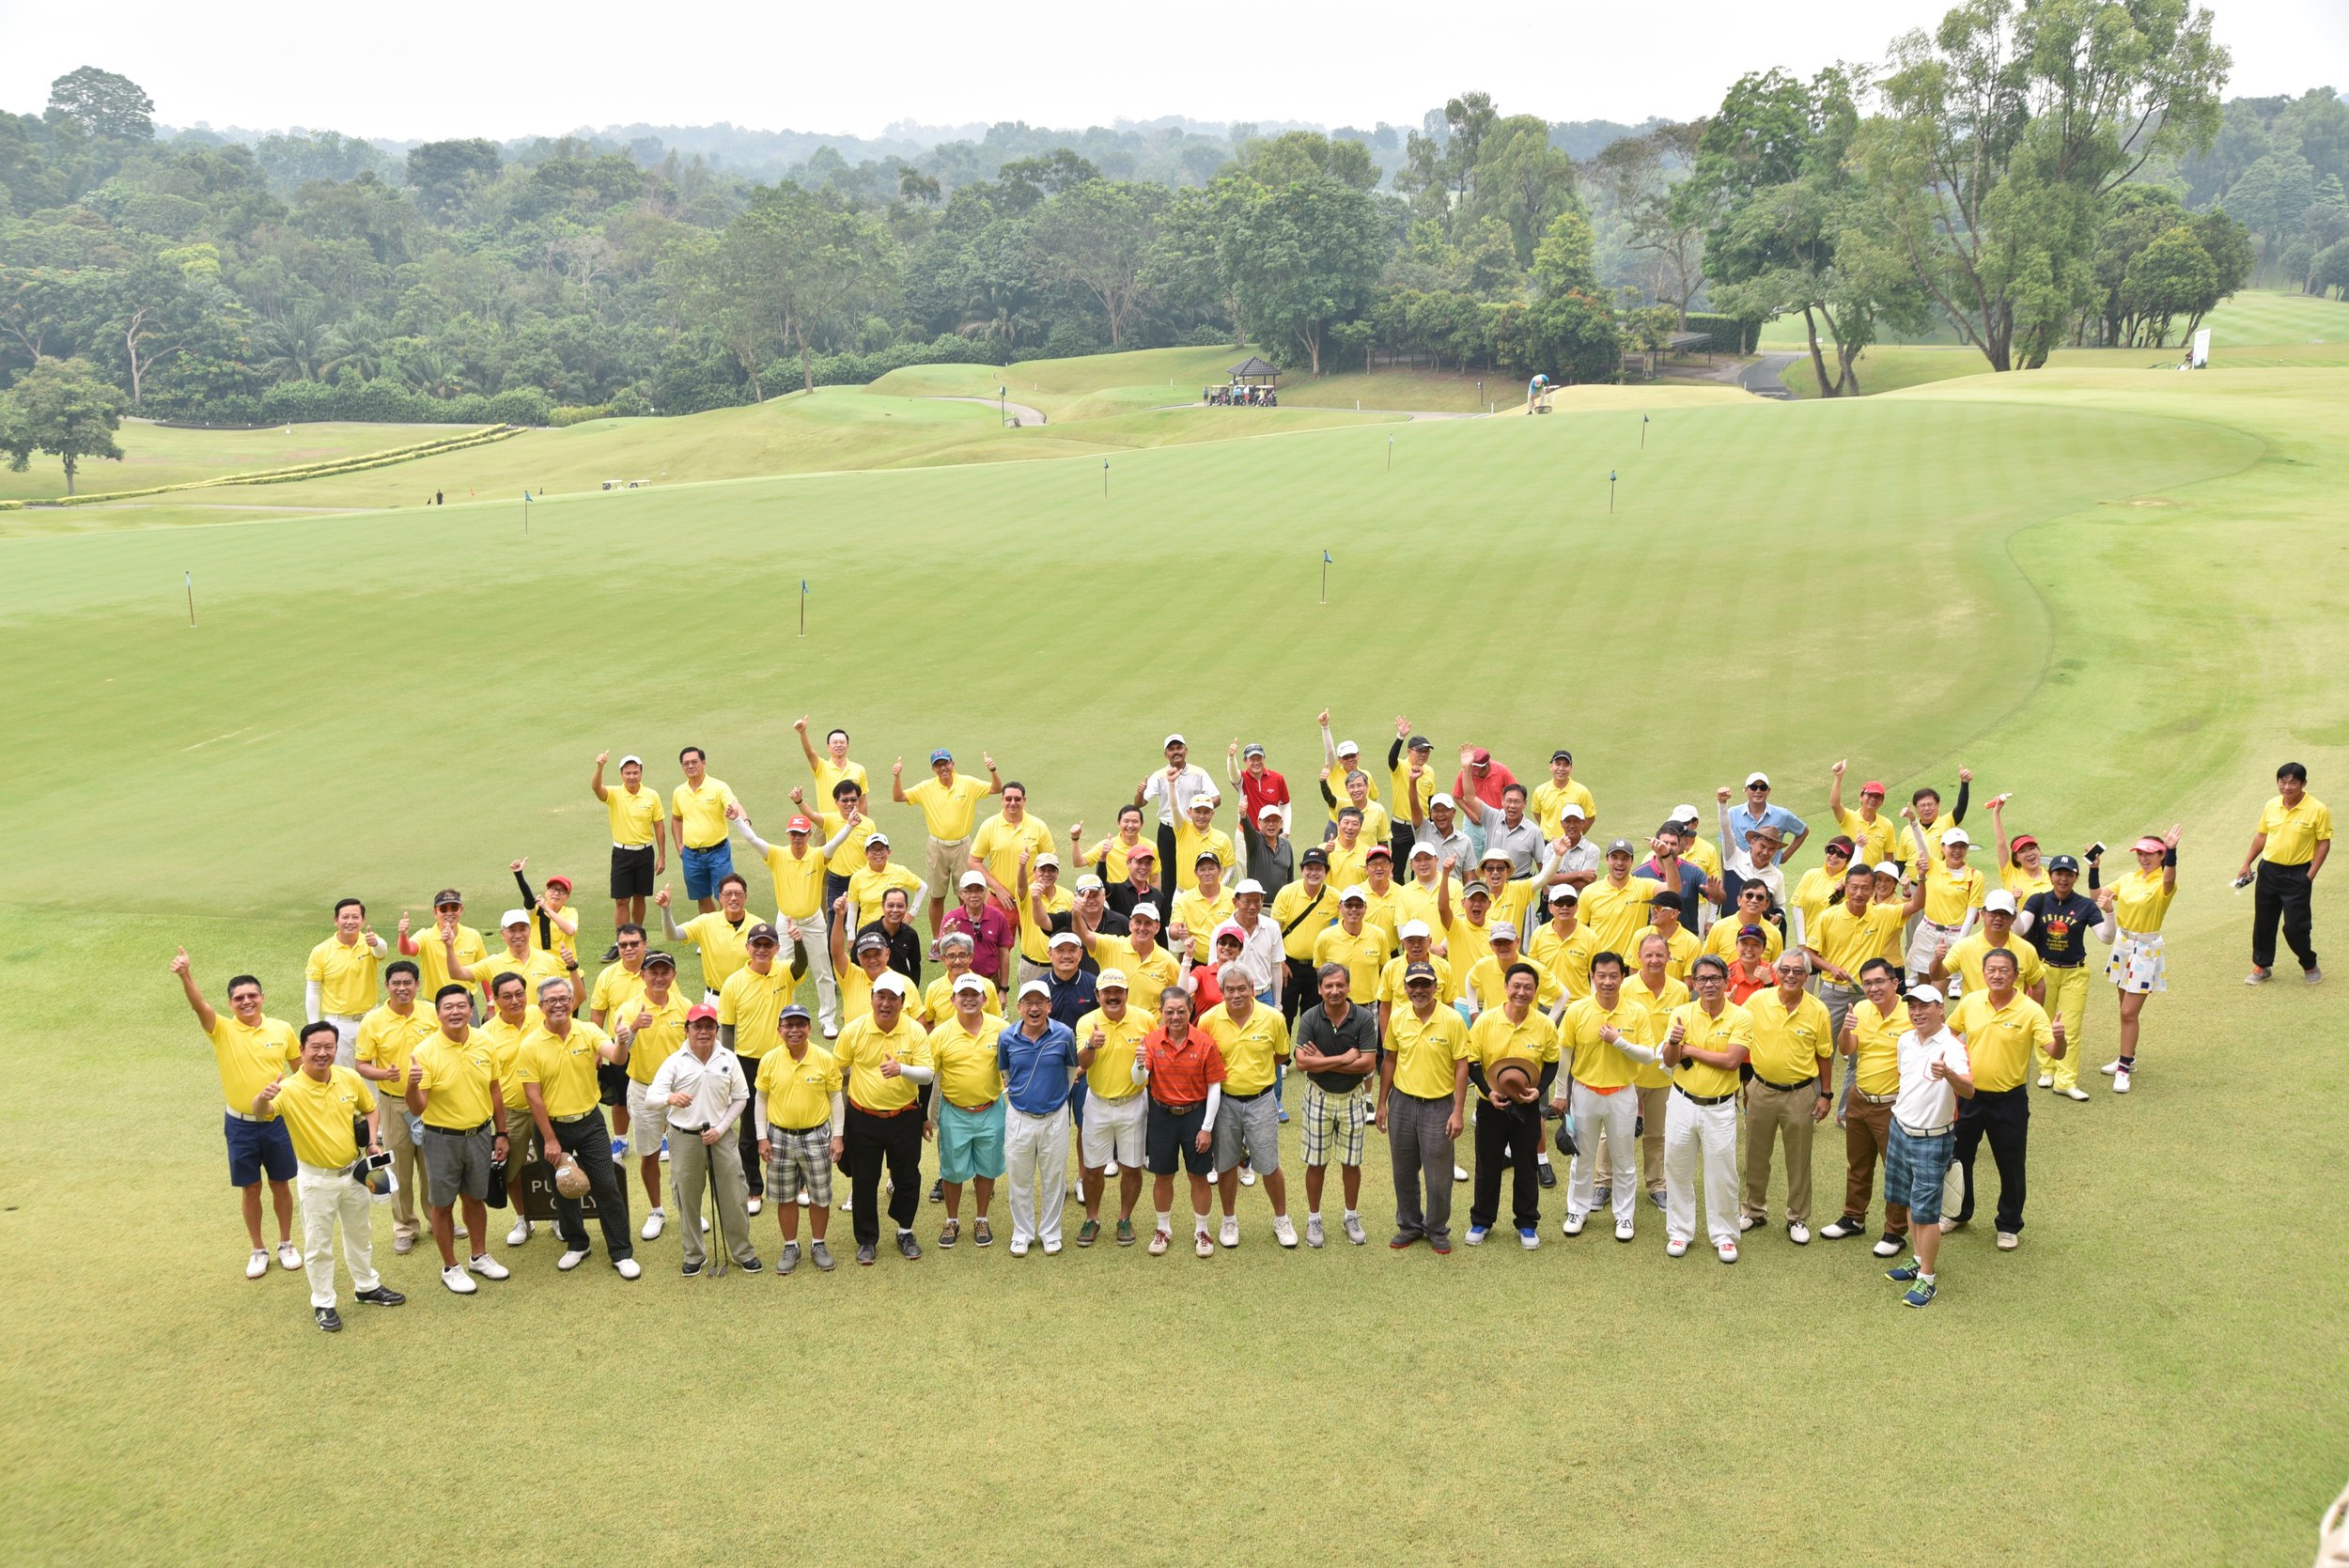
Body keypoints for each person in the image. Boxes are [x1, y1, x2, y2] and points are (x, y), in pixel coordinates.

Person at [260, 1021, 404, 1330]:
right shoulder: (288, 1089)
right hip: (317, 1181)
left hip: (354, 1173)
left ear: (336, 1048)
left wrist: (372, 1141)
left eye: (329, 1047)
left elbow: (370, 1108)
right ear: (301, 1050)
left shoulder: (349, 1078)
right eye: (315, 1047)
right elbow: (263, 1111)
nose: (323, 1053)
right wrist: (263, 1097)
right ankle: (323, 1302)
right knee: (318, 1245)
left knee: (360, 1235)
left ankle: (366, 1287)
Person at [172, 948, 300, 1278]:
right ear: (230, 1004)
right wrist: (186, 974)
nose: (246, 1001)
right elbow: (199, 1006)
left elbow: (300, 1073)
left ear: (262, 997)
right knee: (251, 1188)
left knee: (280, 1183)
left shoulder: (283, 1029)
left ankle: (286, 1243)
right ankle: (259, 1249)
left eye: (252, 995)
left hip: (276, 1121)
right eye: (239, 998)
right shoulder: (223, 1029)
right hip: (240, 1125)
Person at [516, 978, 638, 1278]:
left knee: (607, 1186)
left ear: (572, 1002)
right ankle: (577, 1243)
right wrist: (550, 1140)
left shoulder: (588, 1031)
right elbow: (533, 1097)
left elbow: (617, 1057)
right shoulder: (530, 1045)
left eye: (564, 998)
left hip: (590, 1122)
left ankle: (621, 1251)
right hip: (551, 1128)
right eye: (551, 1000)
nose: (558, 1004)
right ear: (541, 1006)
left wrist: (623, 1039)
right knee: (564, 1188)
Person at [1946, 947, 2059, 1249]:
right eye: (1991, 970)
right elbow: (1949, 1032)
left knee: (2010, 1163)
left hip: (2009, 1100)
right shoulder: (1970, 1002)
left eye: (2004, 970)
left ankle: (2008, 1224)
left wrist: (2058, 1037)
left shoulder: (2031, 1009)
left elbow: (2053, 1051)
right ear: (1983, 973)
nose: (1997, 975)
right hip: (1969, 1095)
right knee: (1958, 1158)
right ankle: (1959, 1212)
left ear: (2016, 975)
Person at [405, 985, 513, 1296]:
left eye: (461, 1006)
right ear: (438, 1013)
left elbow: (494, 1089)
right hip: (441, 1139)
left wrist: (501, 1132)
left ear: (470, 1009)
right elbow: (417, 1107)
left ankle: (478, 1256)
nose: (455, 1011)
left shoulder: (484, 1042)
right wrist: (411, 1086)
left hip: (479, 1135)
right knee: (443, 1204)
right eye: (447, 1007)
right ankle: (450, 1266)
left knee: (475, 1198)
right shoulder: (425, 1052)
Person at [1553, 950, 1663, 1241]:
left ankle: (1624, 1216)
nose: (1607, 981)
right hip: (1585, 1093)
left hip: (1622, 1094)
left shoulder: (1636, 1011)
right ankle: (1577, 1210)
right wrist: (1561, 1094)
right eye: (1601, 975)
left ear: (1623, 977)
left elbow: (1648, 1055)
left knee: (1623, 1158)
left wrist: (1618, 1041)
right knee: (1582, 1156)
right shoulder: (1578, 1010)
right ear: (1592, 977)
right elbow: (1565, 1054)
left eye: (1613, 975)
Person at [646, 1005, 759, 1276]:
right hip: (684, 1138)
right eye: (698, 1026)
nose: (704, 1032)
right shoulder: (674, 1061)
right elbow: (651, 1098)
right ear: (687, 1030)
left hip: (720, 1137)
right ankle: (694, 1255)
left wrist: (721, 1129)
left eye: (710, 1026)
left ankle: (743, 1252)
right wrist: (670, 1098)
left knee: (734, 1194)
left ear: (717, 1030)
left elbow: (741, 1098)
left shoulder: (728, 1059)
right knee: (688, 1198)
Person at [1882, 984, 1973, 1308]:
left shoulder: (1953, 1048)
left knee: (1928, 1213)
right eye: (1912, 1007)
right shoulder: (1906, 1040)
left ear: (1941, 1009)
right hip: (1900, 1129)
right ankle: (1918, 1259)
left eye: (1924, 1006)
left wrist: (1948, 1074)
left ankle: (1928, 1279)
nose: (1917, 1013)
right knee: (1909, 1202)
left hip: (1933, 1138)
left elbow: (1969, 1090)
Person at [833, 972, 934, 1265]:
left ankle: (905, 1231)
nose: (886, 1003)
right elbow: (835, 1074)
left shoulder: (915, 1031)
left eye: (893, 998)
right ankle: (867, 1239)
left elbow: (927, 1074)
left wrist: (901, 1069)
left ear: (903, 1002)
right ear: (872, 998)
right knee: (864, 1180)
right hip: (862, 1118)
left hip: (904, 1116)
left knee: (907, 1177)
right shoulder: (853, 1031)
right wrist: (838, 1124)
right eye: (881, 996)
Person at [1660, 955, 1752, 1263]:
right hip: (1682, 1102)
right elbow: (1670, 1060)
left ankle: (1724, 1235)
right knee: (1676, 1166)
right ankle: (1679, 1231)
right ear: (1695, 983)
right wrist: (1675, 1044)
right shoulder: (1681, 1013)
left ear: (1726, 982)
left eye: (1715, 979)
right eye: (1702, 979)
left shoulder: (1740, 1016)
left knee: (1723, 1173)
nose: (1709, 984)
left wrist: (1690, 1050)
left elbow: (1731, 1061)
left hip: (1720, 1107)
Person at [1738, 953, 1835, 1244]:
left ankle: (1797, 1218)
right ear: (1775, 972)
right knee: (1755, 1155)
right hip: (1761, 1089)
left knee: (1799, 1158)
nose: (1791, 975)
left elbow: (1824, 1055)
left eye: (1798, 971)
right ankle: (1754, 1210)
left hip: (1801, 1094)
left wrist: (1826, 1094)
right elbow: (1737, 1034)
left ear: (1807, 977)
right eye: (1785, 970)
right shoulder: (1757, 1001)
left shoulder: (1818, 1010)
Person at [1820, 958, 1914, 1256]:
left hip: (1894, 1106)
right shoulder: (1860, 1009)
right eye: (1868, 983)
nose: (1873, 988)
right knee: (1858, 1165)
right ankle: (1853, 1217)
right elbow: (1848, 1050)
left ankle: (1894, 1231)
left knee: (1896, 1171)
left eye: (1879, 982)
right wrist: (1846, 1030)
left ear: (1894, 983)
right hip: (1859, 1099)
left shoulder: (1910, 1012)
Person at [1464, 963, 1559, 1249]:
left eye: (1528, 987)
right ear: (1505, 988)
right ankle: (1481, 1221)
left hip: (1527, 1107)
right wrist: (1487, 1090)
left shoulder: (1544, 1024)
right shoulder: (1486, 1021)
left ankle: (1527, 1224)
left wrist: (1539, 1091)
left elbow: (1552, 1062)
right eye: (1516, 986)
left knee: (1527, 1165)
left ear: (1535, 991)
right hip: (1490, 1106)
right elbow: (1472, 1062)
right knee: (1487, 1165)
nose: (1521, 992)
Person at [1379, 962, 1472, 1252]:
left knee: (1439, 1175)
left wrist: (1457, 1111)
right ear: (1405, 988)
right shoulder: (1397, 1017)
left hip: (1438, 1106)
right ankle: (1409, 1225)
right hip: (1403, 1103)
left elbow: (1461, 1066)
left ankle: (1436, 1229)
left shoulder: (1453, 1019)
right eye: (1413, 985)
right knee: (1403, 1171)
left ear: (1436, 987)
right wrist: (1381, 1102)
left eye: (1425, 984)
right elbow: (1390, 1060)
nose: (1418, 990)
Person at [1199, 970, 1296, 1249]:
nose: (1236, 994)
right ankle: (1229, 1220)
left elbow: (1280, 1055)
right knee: (1227, 1163)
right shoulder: (1208, 1021)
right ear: (1222, 991)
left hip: (1262, 1100)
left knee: (1269, 1164)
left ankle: (1281, 1219)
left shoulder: (1274, 1018)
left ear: (1252, 987)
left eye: (1242, 988)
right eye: (1230, 990)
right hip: (1225, 1102)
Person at [350, 959, 439, 1254]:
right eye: (396, 983)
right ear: (387, 986)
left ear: (417, 985)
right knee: (399, 1168)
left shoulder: (431, 1012)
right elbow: (361, 1065)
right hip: (392, 1104)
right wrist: (383, 1074)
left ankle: (436, 1220)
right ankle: (404, 1227)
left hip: (431, 1102)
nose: (402, 988)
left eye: (408, 983)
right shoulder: (373, 1021)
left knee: (433, 1166)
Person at [1289, 962, 1377, 1248]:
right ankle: (1314, 1218)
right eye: (1328, 986)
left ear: (1349, 987)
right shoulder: (1311, 1017)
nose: (1335, 990)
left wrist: (1322, 1061)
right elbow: (1302, 1062)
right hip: (1318, 1096)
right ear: (1319, 989)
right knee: (1316, 1162)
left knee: (1351, 1163)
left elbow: (1367, 1064)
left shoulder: (1363, 1018)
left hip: (1352, 1097)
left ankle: (1350, 1215)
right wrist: (1342, 1059)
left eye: (1340, 985)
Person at [729, 805, 838, 1033]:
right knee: (780, 971)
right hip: (786, 924)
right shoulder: (777, 855)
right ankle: (785, 1016)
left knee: (823, 972)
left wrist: (850, 824)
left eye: (801, 834)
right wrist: (738, 819)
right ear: (788, 835)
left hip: (813, 922)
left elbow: (835, 843)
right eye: (793, 834)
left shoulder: (817, 856)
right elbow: (752, 839)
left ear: (809, 835)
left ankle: (828, 1019)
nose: (797, 838)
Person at [1135, 986, 1225, 1258]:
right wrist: (1140, 1063)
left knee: (1198, 1176)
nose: (1175, 1017)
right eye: (1169, 1011)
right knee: (1163, 1175)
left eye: (1181, 1011)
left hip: (1195, 1116)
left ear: (1191, 1010)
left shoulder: (1205, 1043)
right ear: (1161, 1013)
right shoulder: (1150, 1041)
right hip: (1161, 1116)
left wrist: (1207, 1127)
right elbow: (1139, 1081)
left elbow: (1214, 1087)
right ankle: (1163, 1229)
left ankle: (1202, 1231)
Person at [753, 1005, 844, 1274]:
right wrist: (761, 1138)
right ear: (779, 1029)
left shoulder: (824, 1058)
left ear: (809, 1029)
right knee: (785, 1196)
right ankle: (791, 1245)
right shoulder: (769, 1059)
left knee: (820, 1195)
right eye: (788, 1025)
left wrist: (837, 1136)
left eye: (800, 1025)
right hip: (778, 1136)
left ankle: (818, 1244)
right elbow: (760, 1099)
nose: (794, 1030)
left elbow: (836, 1098)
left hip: (816, 1135)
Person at [2017, 854, 2112, 1100]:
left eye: (2069, 874)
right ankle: (2047, 1069)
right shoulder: (2037, 900)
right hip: (2043, 969)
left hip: (2075, 972)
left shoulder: (2085, 905)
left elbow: (2106, 937)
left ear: (2075, 878)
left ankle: (2066, 1080)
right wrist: (2015, 905)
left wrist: (2110, 913)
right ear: (2051, 876)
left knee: (2069, 1028)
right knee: (2043, 1021)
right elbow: (2019, 929)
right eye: (2059, 873)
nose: (2063, 879)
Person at [998, 980, 1081, 1255]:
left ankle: (1051, 1233)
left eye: (1040, 1003)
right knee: (1019, 1179)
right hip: (1019, 1117)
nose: (1034, 1008)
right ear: (1019, 1007)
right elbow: (1007, 1074)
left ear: (1049, 1006)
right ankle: (1021, 1233)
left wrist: (1055, 1100)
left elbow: (1071, 1071)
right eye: (1028, 1003)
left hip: (1055, 1118)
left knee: (1054, 1178)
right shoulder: (1007, 1037)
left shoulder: (1064, 1034)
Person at [713, 924, 792, 1213]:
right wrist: (729, 1066)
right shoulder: (733, 982)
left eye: (767, 944)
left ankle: (795, 1185)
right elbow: (728, 1031)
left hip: (781, 1058)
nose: (761, 949)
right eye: (756, 944)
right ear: (748, 948)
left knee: (787, 1122)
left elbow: (803, 965)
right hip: (746, 1062)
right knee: (749, 1129)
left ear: (776, 948)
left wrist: (801, 941)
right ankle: (754, 1188)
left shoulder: (784, 971)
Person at [614, 951, 691, 1239]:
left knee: (685, 1155)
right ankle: (657, 1210)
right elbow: (620, 1056)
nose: (659, 977)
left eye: (665, 972)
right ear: (643, 975)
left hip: (682, 1092)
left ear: (673, 975)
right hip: (644, 1090)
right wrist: (632, 1028)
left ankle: (687, 1208)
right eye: (653, 972)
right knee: (649, 1154)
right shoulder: (629, 1009)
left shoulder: (685, 1007)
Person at [2098, 827, 2181, 1094]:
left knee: (2128, 1012)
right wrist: (2093, 869)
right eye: (2140, 854)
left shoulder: (2163, 882)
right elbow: (2097, 895)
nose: (2143, 858)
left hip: (2146, 949)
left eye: (2149, 854)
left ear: (2161, 855)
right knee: (2124, 1008)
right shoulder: (2128, 878)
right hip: (2123, 946)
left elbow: (2169, 880)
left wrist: (2173, 851)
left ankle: (2123, 1068)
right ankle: (2129, 1058)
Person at [1074, 970, 1154, 1247]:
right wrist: (1090, 1046)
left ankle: (1124, 1218)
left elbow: (1153, 1062)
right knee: (1092, 1168)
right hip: (1098, 1103)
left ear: (1126, 994)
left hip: (1134, 1104)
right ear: (1097, 996)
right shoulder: (1087, 1022)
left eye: (1118, 991)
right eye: (1106, 992)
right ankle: (1092, 1218)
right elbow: (1083, 1063)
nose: (1112, 996)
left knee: (1131, 1167)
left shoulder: (1145, 1020)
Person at [927, 975, 1007, 1250]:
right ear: (953, 1000)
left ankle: (981, 1218)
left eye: (975, 994)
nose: (970, 999)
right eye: (963, 995)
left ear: (985, 999)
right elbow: (929, 1076)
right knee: (952, 1170)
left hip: (991, 1109)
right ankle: (952, 1219)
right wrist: (925, 1116)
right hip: (954, 1112)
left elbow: (1012, 1068)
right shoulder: (939, 1034)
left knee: (987, 1168)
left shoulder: (1002, 1029)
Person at [895, 749, 1001, 939]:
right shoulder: (926, 787)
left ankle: (965, 937)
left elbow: (996, 789)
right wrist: (897, 776)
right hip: (937, 847)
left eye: (945, 763)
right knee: (937, 897)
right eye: (938, 765)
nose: (942, 768)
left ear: (953, 764)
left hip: (963, 846)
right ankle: (937, 939)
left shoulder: (968, 783)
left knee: (966, 895)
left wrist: (993, 770)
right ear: (933, 768)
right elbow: (899, 796)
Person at [2240, 762, 2329, 986]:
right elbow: (2262, 835)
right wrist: (2247, 862)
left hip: (2298, 874)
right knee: (2264, 922)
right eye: (2283, 781)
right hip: (2269, 870)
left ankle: (2309, 963)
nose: (2287, 787)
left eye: (2293, 782)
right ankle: (2262, 965)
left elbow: (2323, 843)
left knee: (2296, 927)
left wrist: (2310, 875)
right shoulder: (2271, 805)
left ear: (2303, 784)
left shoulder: (2317, 809)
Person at [475, 971, 544, 1243]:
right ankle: (523, 1220)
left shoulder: (542, 1015)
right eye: (507, 996)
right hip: (512, 1112)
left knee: (553, 1163)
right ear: (495, 999)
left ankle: (558, 1218)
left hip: (547, 1108)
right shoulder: (485, 1034)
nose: (515, 1000)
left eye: (519, 994)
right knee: (511, 1169)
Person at [589, 751, 666, 957]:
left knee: (640, 897)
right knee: (621, 900)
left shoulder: (651, 795)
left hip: (644, 852)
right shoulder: (614, 793)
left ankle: (637, 940)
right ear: (621, 774)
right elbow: (596, 788)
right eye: (627, 773)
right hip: (622, 853)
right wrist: (600, 766)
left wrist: (661, 856)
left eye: (635, 772)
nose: (632, 776)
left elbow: (659, 825)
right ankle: (621, 942)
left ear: (641, 773)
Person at [1903, 818, 1984, 982]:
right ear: (1943, 848)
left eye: (1962, 846)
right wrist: (1913, 822)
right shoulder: (1933, 865)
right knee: (1924, 989)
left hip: (1955, 935)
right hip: (1927, 931)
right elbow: (1921, 846)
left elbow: (1971, 914)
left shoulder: (1975, 876)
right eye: (1953, 846)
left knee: (1938, 989)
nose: (1957, 851)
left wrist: (1959, 945)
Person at [305, 898, 385, 1064]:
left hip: (370, 1020)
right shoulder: (321, 951)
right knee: (342, 1077)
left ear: (363, 921)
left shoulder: (370, 941)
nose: (350, 921)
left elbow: (381, 951)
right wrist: (314, 1026)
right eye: (345, 917)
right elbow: (313, 990)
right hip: (338, 1024)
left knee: (372, 1077)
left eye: (355, 917)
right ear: (336, 920)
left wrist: (375, 943)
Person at [1931, 890, 2046, 1004]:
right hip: (1974, 1016)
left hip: (2012, 1019)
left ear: (2013, 918)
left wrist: (2032, 1016)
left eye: (2004, 914)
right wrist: (1937, 960)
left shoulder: (2026, 949)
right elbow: (1937, 975)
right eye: (1993, 913)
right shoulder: (1964, 947)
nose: (1998, 918)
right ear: (1983, 914)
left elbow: (2038, 985)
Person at [448, 909, 572, 1013]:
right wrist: (449, 946)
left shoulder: (547, 960)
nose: (518, 935)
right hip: (506, 1034)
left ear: (530, 932)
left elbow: (558, 996)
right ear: (503, 934)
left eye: (522, 929)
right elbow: (457, 974)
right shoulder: (493, 962)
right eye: (512, 930)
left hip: (540, 1033)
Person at [670, 747, 740, 914]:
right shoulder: (679, 792)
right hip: (691, 855)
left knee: (726, 895)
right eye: (686, 763)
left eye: (694, 762)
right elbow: (676, 818)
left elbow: (733, 804)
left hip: (718, 852)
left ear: (704, 763)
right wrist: (679, 845)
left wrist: (738, 815)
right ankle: (710, 935)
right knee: (702, 897)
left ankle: (729, 934)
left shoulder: (718, 786)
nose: (690, 766)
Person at [658, 876, 753, 1000]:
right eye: (728, 894)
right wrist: (666, 909)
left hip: (749, 996)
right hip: (716, 998)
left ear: (745, 897)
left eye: (738, 894)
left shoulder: (757, 925)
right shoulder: (706, 922)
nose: (733, 898)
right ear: (720, 898)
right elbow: (673, 935)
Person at [397, 890, 486, 1010]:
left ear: (461, 909)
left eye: (454, 908)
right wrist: (403, 936)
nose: (449, 913)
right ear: (435, 913)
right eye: (443, 909)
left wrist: (491, 1004)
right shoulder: (425, 936)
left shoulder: (473, 935)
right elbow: (407, 950)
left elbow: (484, 971)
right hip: (434, 1006)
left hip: (465, 1004)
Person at [972, 782, 1055, 909]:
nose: (1013, 803)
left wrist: (1038, 885)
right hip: (1000, 900)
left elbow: (1051, 860)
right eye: (1008, 799)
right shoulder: (988, 826)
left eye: (1017, 799)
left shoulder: (1038, 826)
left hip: (1032, 899)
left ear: (1024, 800)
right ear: (1002, 800)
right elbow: (974, 861)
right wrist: (998, 889)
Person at [941, 871, 1018, 989]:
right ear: (961, 894)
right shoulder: (951, 918)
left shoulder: (997, 916)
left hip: (991, 981)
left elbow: (1004, 953)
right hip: (959, 982)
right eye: (968, 891)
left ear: (985, 892)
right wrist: (947, 937)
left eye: (978, 890)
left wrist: (1003, 988)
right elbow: (937, 951)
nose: (974, 895)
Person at [845, 831, 927, 935]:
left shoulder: (899, 871)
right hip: (867, 932)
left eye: (882, 849)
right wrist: (851, 938)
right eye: (873, 850)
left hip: (895, 931)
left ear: (889, 852)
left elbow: (922, 887)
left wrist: (912, 913)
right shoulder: (857, 878)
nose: (878, 853)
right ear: (866, 854)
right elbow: (852, 910)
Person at [1529, 884, 1600, 1000]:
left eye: (1570, 902)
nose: (1565, 907)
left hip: (1577, 1007)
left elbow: (1596, 975)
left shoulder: (1590, 937)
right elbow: (1532, 972)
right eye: (1559, 903)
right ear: (1550, 907)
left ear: (1577, 907)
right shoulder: (1538, 934)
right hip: (1545, 1006)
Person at [1828, 761, 1900, 871]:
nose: (1873, 799)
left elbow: (1889, 855)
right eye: (1869, 795)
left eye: (1877, 797)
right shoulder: (1848, 817)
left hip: (1872, 879)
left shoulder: (1887, 824)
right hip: (1848, 876)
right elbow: (1834, 804)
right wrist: (1838, 777)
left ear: (1882, 801)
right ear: (1861, 797)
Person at [1139, 734, 1219, 830]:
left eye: (1179, 748)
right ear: (1166, 754)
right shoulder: (1158, 776)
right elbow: (1140, 803)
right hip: (1167, 829)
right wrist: (1140, 793)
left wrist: (1199, 809)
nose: (1176, 752)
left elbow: (1216, 798)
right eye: (1171, 749)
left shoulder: (1199, 773)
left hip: (1193, 827)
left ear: (1186, 751)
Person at [793, 717, 866, 805]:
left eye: (842, 742)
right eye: (835, 742)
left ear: (847, 746)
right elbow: (810, 754)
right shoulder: (821, 767)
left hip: (851, 819)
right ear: (828, 747)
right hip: (827, 819)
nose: (839, 745)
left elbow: (862, 801)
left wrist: (864, 819)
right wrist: (802, 733)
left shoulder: (859, 770)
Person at [1531, 750, 1597, 839]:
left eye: (1566, 765)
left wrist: (1576, 835)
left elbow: (1590, 817)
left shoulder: (1582, 791)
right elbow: (1538, 814)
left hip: (1572, 843)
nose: (1561, 768)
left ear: (1571, 768)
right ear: (1551, 766)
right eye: (1557, 764)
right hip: (1547, 844)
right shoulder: (1540, 791)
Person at [1452, 745, 1517, 813]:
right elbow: (1457, 797)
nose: (1473, 774)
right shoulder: (1465, 773)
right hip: (1475, 818)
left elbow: (1516, 791)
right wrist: (1470, 813)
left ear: (1487, 767)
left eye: (1476, 772)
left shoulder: (1501, 771)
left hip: (1497, 818)